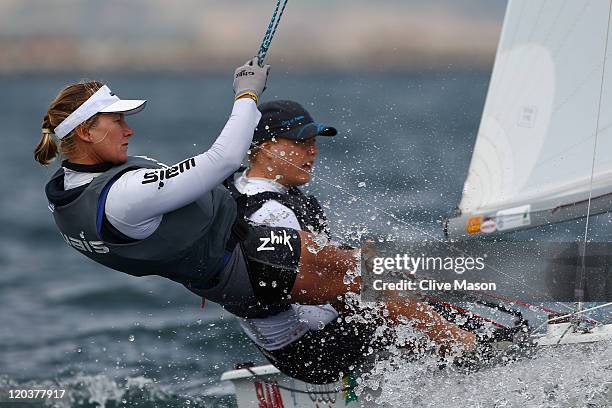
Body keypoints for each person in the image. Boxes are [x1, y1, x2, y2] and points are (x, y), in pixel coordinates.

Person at [34, 64, 475, 378]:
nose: (128, 129)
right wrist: (247, 94)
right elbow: (222, 158)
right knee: (365, 277)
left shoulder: (67, 194)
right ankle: (472, 343)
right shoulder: (125, 197)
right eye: (117, 121)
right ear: (87, 133)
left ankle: (454, 322)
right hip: (245, 262)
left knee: (361, 274)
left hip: (232, 270)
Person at [225, 100, 479, 383]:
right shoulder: (270, 213)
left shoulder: (247, 189)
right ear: (268, 148)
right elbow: (309, 307)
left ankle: (460, 345)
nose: (313, 151)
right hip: (310, 351)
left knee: (402, 292)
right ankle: (469, 352)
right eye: (301, 142)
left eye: (313, 142)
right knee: (382, 285)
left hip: (289, 346)